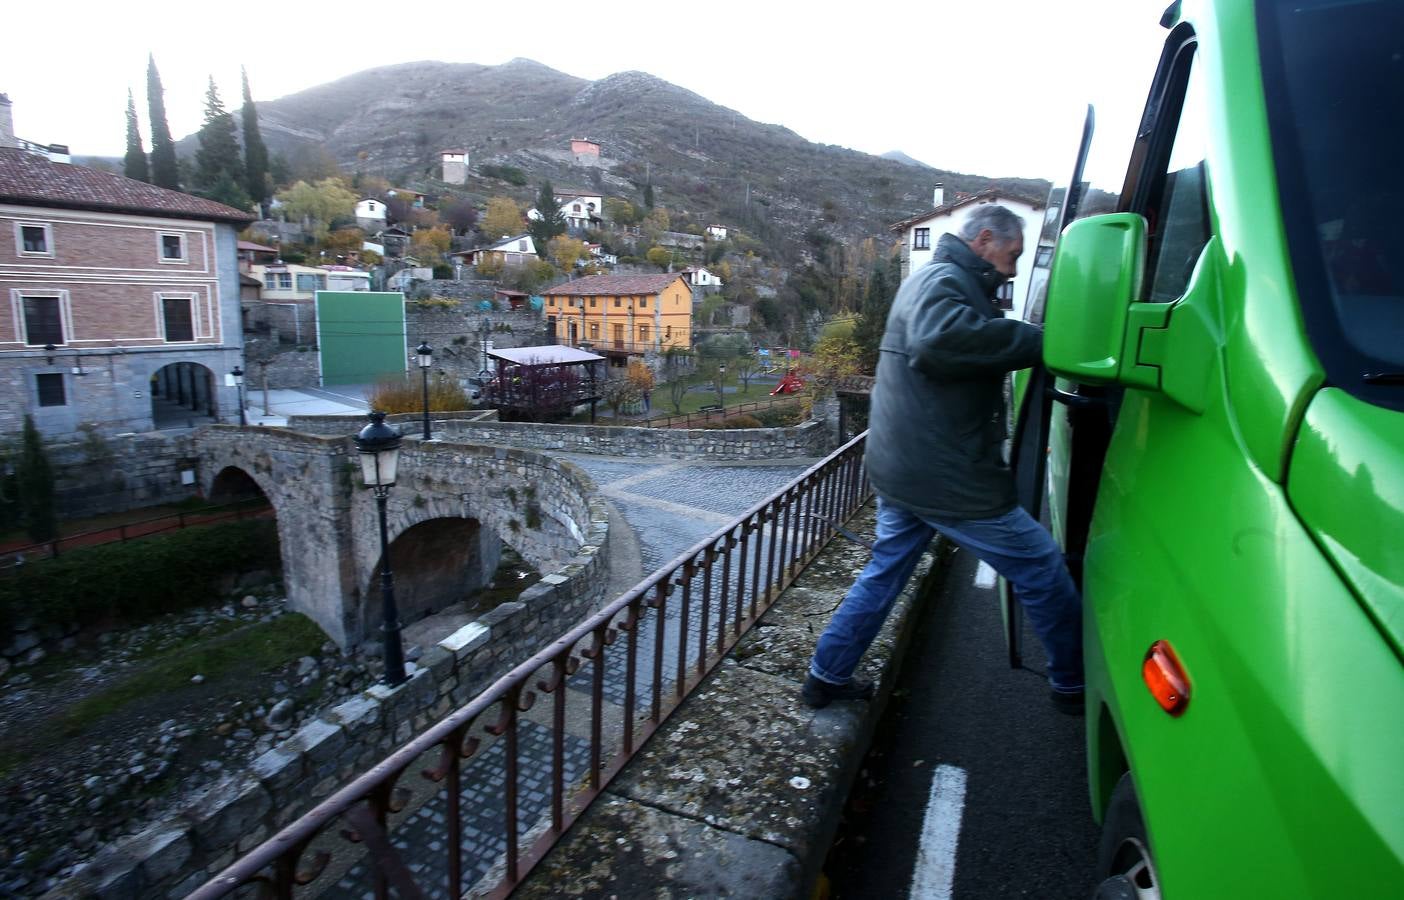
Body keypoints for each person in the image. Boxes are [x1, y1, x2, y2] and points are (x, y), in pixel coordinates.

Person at [802, 204, 1084, 714]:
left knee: (885, 571)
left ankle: (826, 675)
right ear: (983, 239)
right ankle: (1073, 684)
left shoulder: (941, 278)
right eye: (1011, 255)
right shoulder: (945, 280)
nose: (1013, 269)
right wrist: (1041, 341)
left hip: (904, 465)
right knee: (1041, 568)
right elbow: (940, 342)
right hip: (941, 474)